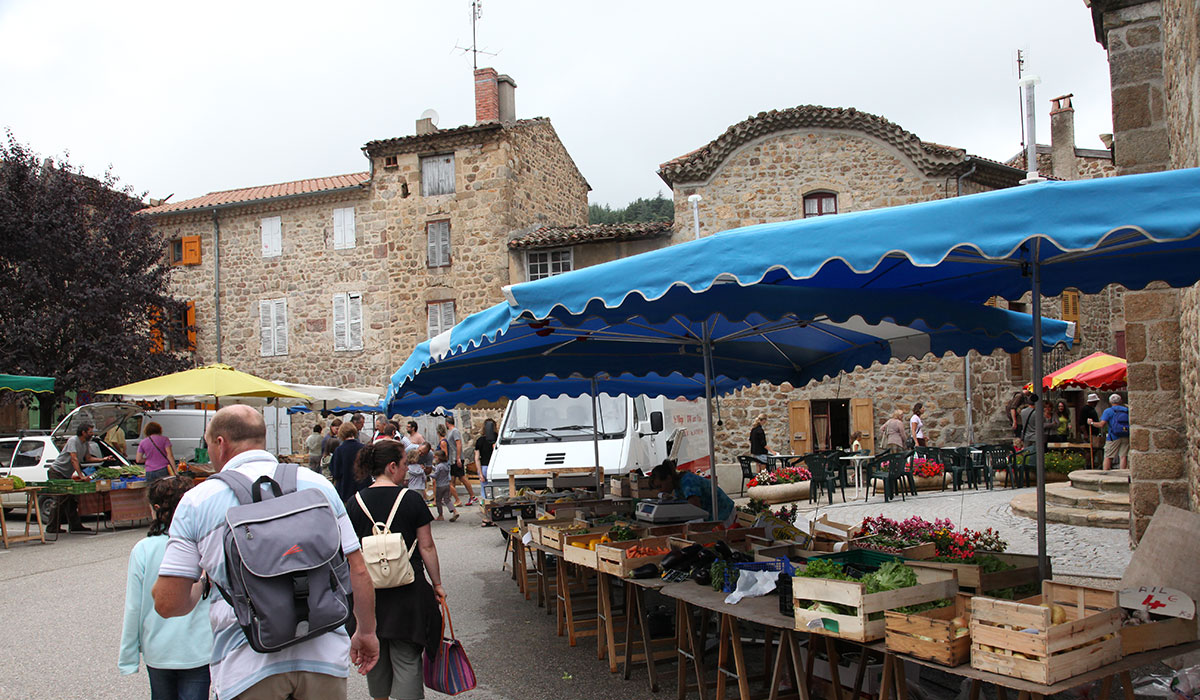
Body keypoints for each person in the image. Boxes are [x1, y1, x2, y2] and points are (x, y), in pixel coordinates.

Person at [152, 405, 379, 700]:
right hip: (322, 658)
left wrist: (203, 584)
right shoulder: (317, 485)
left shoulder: (198, 501)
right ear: (263, 437)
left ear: (220, 443)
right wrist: (366, 632)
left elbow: (169, 603)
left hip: (246, 666)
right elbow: (357, 568)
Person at [345, 440, 445, 700]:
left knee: (374, 656)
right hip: (408, 591)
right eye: (403, 464)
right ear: (391, 467)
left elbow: (348, 555)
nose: (405, 469)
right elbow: (427, 547)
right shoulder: (411, 500)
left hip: (369, 594)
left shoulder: (353, 503)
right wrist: (437, 584)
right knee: (407, 657)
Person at [119, 475, 214, 700]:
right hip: (198, 649)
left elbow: (134, 606)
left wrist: (128, 657)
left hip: (158, 650)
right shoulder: (205, 543)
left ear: (156, 508)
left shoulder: (143, 549)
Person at [47, 421, 104, 533]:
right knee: (59, 500)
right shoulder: (73, 440)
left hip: (66, 474)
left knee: (72, 500)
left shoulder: (86, 443)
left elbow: (88, 458)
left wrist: (103, 459)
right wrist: (80, 475)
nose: (92, 434)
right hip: (57, 472)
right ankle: (52, 527)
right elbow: (74, 458)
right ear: (83, 432)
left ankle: (75, 525)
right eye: (90, 432)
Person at [649, 460, 735, 526]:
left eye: (660, 486)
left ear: (669, 478)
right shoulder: (678, 486)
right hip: (712, 515)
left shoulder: (688, 482)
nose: (660, 491)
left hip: (723, 512)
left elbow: (695, 511)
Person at [1090, 393, 1130, 471]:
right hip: (1126, 434)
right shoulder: (1126, 410)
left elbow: (1102, 424)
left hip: (1113, 436)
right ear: (1120, 401)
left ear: (1110, 402)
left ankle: (1106, 473)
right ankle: (1123, 474)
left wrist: (1091, 423)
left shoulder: (1108, 411)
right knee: (1123, 456)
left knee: (1108, 456)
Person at [332, 422, 367, 502]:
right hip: (361, 491)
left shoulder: (339, 451)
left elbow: (335, 473)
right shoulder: (363, 448)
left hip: (345, 490)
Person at [445, 416, 476, 506]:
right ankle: (451, 498)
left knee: (461, 477)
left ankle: (472, 496)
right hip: (452, 459)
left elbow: (459, 444)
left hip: (456, 458)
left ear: (447, 423)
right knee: (453, 478)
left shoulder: (455, 431)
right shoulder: (450, 432)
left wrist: (458, 457)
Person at [430, 449, 458, 522]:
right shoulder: (446, 465)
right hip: (447, 485)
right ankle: (454, 511)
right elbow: (437, 469)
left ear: (439, 458)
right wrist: (431, 467)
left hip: (440, 486)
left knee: (438, 501)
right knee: (447, 499)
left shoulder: (439, 466)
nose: (434, 459)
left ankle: (440, 515)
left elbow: (436, 475)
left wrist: (428, 474)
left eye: (435, 457)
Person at [1078, 394, 1103, 466]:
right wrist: (1085, 433)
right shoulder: (1085, 409)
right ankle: (1087, 464)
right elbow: (1081, 422)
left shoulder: (1092, 409)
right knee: (1089, 450)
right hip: (1089, 433)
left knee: (1094, 450)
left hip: (1093, 433)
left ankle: (1091, 463)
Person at [473, 418, 497, 482]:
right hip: (495, 466)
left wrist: (480, 473)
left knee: (484, 490)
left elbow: (477, 458)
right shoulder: (498, 439)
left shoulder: (480, 440)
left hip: (484, 467)